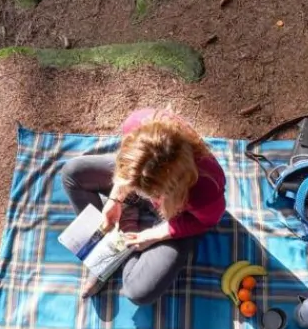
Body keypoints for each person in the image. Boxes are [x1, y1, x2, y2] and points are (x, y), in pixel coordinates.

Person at [61, 108, 226, 305]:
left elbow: (203, 223)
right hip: (147, 180)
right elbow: (125, 168)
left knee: (138, 291)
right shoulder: (136, 123)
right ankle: (108, 249)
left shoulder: (206, 187)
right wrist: (116, 198)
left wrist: (153, 235)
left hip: (175, 216)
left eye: (150, 194)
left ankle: (121, 238)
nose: (140, 194)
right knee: (72, 172)